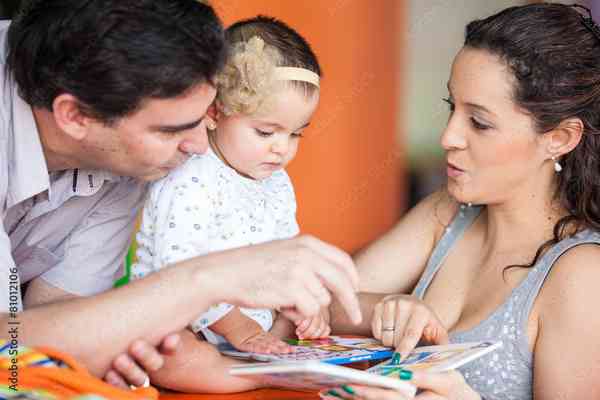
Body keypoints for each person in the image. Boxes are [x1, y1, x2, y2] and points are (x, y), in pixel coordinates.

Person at [0, 0, 362, 392]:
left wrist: (95, 350)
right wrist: (205, 281)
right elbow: (8, 347)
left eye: (205, 116)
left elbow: (41, 328)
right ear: (75, 116)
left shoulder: (127, 161)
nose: (199, 147)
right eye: (172, 130)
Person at [324, 3, 600, 399]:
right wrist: (389, 306)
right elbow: (321, 305)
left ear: (558, 139)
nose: (448, 137)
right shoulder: (449, 213)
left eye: (480, 123)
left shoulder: (581, 274)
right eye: (452, 108)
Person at [130, 16, 331, 389]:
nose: (282, 149)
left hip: (255, 324)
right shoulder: (190, 177)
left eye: (296, 134)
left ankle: (267, 361)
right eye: (266, 131)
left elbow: (287, 254)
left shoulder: (276, 181)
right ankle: (255, 376)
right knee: (171, 355)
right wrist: (238, 328)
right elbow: (181, 273)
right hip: (182, 319)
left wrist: (302, 304)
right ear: (214, 113)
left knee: (303, 328)